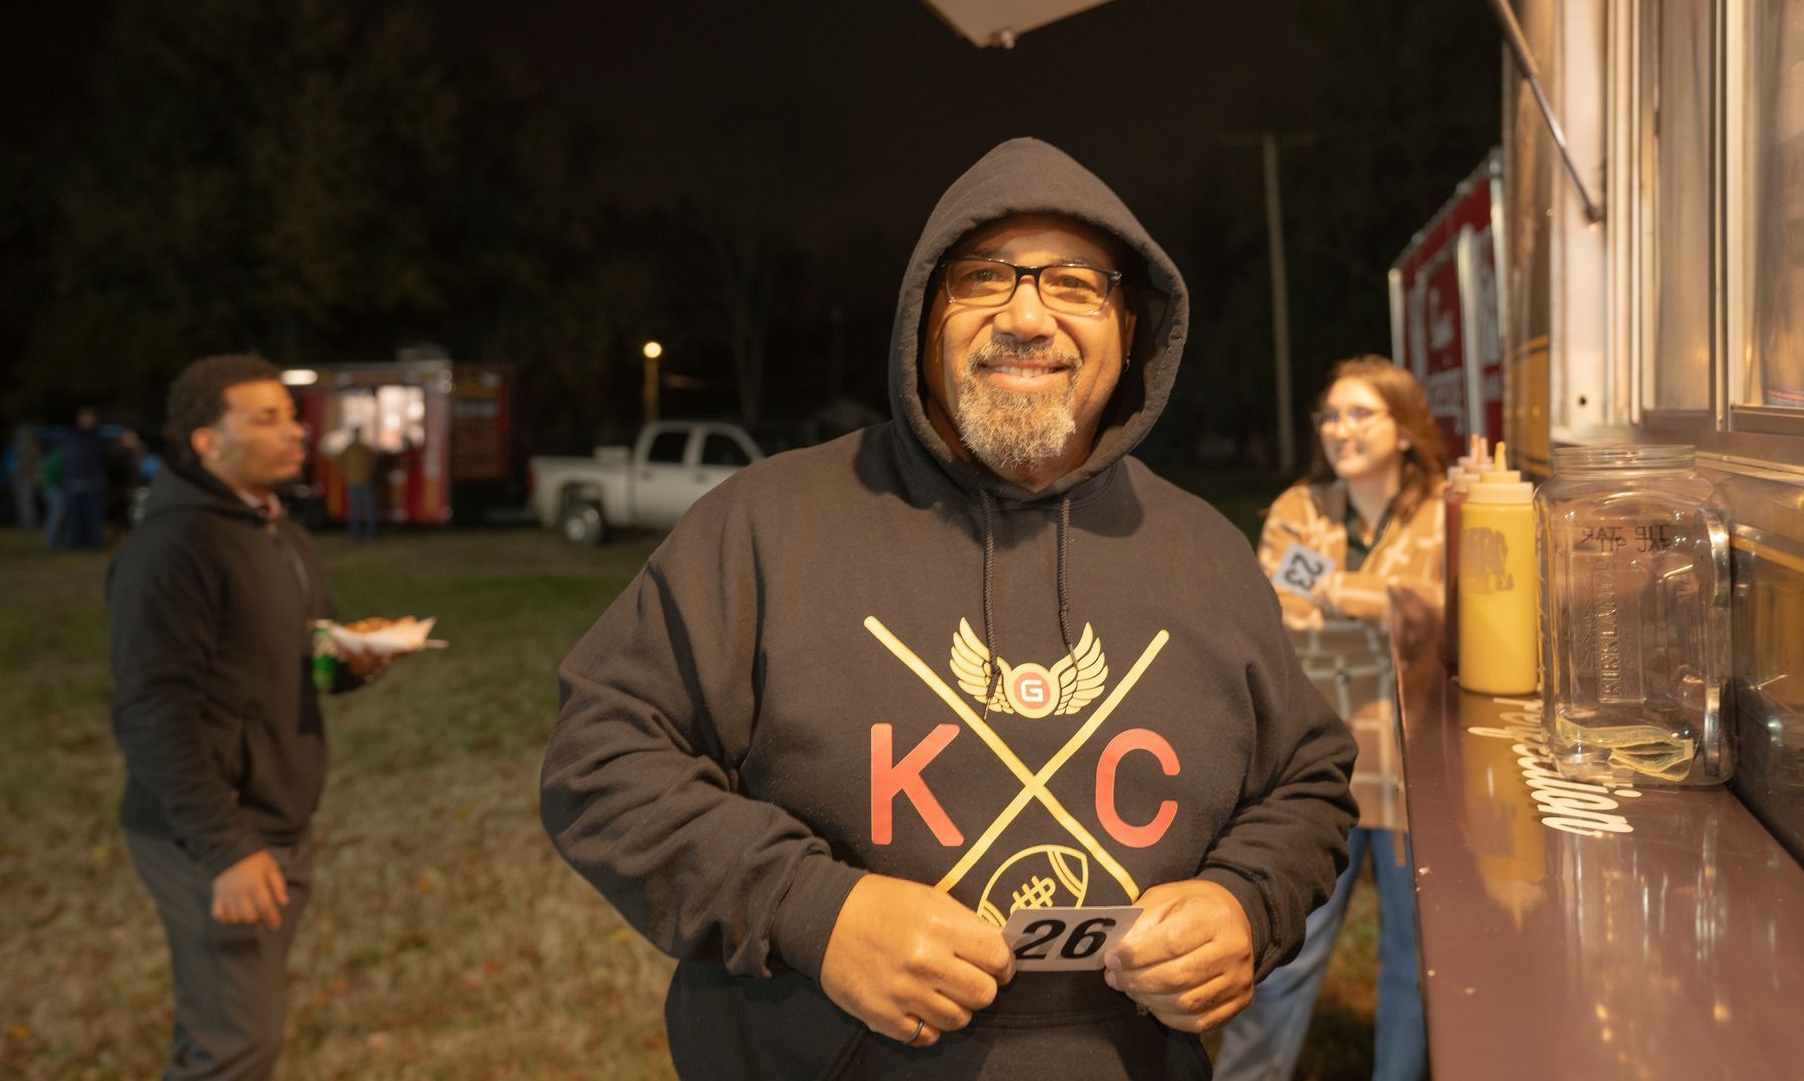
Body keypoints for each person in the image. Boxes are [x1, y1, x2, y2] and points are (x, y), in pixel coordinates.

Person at [540, 138, 1358, 1080]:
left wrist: (1247, 904)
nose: (1027, 314)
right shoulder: (766, 524)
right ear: (923, 320)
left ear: (1131, 328)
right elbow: (601, 757)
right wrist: (814, 912)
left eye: (1076, 285)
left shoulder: (1206, 552)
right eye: (983, 278)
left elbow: (1307, 781)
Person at [109, 355, 390, 1080]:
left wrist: (350, 662)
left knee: (219, 1028)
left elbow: (309, 654)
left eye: (291, 415)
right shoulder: (173, 549)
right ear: (206, 441)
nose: (294, 432)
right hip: (212, 832)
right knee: (239, 1046)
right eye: (264, 419)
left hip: (276, 818)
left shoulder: (279, 532)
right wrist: (227, 847)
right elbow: (151, 709)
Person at [1213, 355, 1447, 1081]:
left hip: (1417, 770)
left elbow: (1443, 615)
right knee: (1287, 955)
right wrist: (1391, 607)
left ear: (1404, 428)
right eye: (1331, 415)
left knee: (1415, 968)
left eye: (1360, 414)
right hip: (1320, 770)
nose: (1340, 430)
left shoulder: (1449, 511)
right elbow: (1274, 610)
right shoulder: (1298, 508)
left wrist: (1337, 593)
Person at [62, 406, 108, 549]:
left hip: (92, 483)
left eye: (90, 418)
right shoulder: (71, 436)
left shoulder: (97, 438)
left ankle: (94, 543)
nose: (87, 421)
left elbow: (103, 460)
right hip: (73, 483)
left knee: (93, 517)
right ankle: (75, 543)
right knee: (74, 518)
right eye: (84, 418)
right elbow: (67, 459)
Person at [336, 429, 379, 540]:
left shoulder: (350, 449)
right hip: (364, 481)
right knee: (369, 509)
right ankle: (371, 534)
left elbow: (340, 463)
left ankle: (355, 534)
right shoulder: (365, 448)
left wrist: (347, 474)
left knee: (355, 510)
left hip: (354, 482)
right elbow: (374, 462)